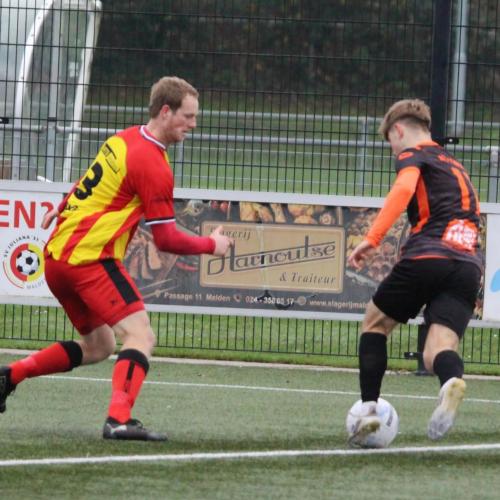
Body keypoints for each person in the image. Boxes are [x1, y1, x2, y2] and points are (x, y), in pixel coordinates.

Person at [0, 76, 233, 441]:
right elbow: (165, 239)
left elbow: (90, 181)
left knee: (100, 346)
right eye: (188, 116)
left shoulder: (122, 139)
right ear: (165, 111)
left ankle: (9, 376)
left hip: (58, 260)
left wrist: (64, 204)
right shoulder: (152, 163)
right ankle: (119, 420)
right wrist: (211, 245)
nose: (193, 124)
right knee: (140, 335)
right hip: (89, 260)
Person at [347, 99, 482, 445]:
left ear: (398, 130)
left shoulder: (413, 154)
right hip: (467, 265)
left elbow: (404, 189)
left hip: (428, 254)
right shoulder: (455, 164)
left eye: (390, 142)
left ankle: (369, 410)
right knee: (437, 350)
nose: (393, 150)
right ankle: (451, 382)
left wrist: (372, 238)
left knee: (375, 323)